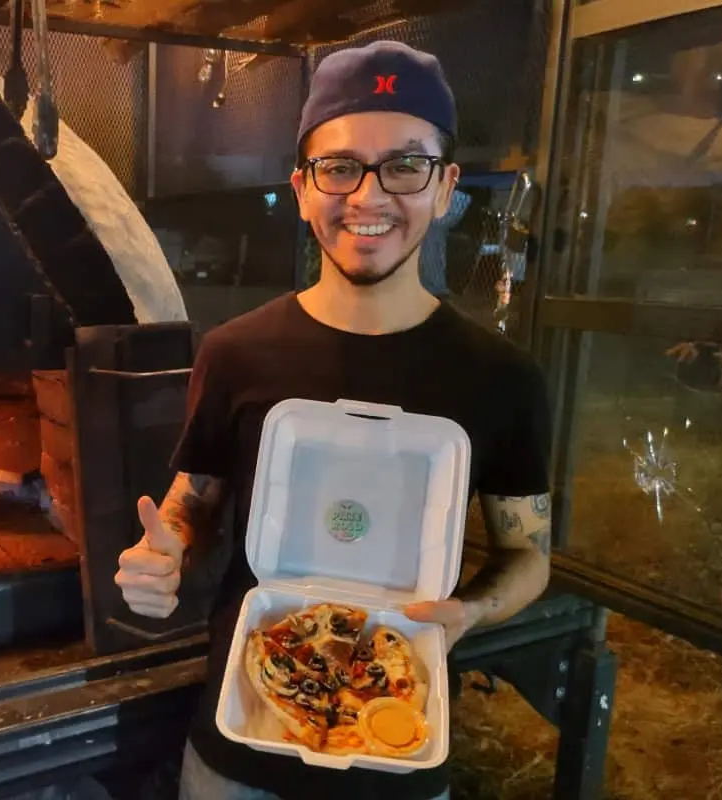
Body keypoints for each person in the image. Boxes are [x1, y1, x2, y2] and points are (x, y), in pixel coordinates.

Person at [114, 41, 553, 800]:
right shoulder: (234, 353)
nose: (369, 196)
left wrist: (464, 614)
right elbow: (195, 504)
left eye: (405, 166)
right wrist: (165, 558)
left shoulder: (501, 377)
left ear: (447, 185)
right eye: (340, 166)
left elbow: (529, 553)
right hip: (239, 740)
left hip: (397, 738)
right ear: (303, 186)